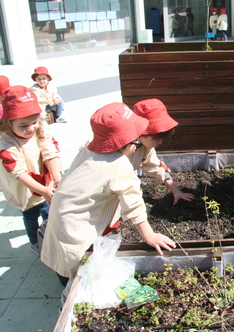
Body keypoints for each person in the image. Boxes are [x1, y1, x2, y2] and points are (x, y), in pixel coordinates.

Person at [41, 102, 176, 285]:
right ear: (128, 141)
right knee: (79, 280)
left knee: (67, 264)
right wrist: (149, 236)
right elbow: (134, 203)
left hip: (61, 219)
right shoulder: (118, 164)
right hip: (76, 232)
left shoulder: (89, 151)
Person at [0, 86, 62, 255]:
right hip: (24, 190)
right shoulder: (6, 143)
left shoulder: (40, 128)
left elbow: (50, 151)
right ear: (8, 122)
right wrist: (43, 190)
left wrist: (57, 178)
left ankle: (48, 236)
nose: (30, 128)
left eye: (34, 122)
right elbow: (18, 172)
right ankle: (35, 242)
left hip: (44, 183)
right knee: (30, 214)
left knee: (48, 212)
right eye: (23, 125)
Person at [132, 98, 195, 205]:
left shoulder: (146, 148)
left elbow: (156, 169)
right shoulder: (121, 151)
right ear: (141, 133)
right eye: (157, 139)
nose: (160, 142)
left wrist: (176, 191)